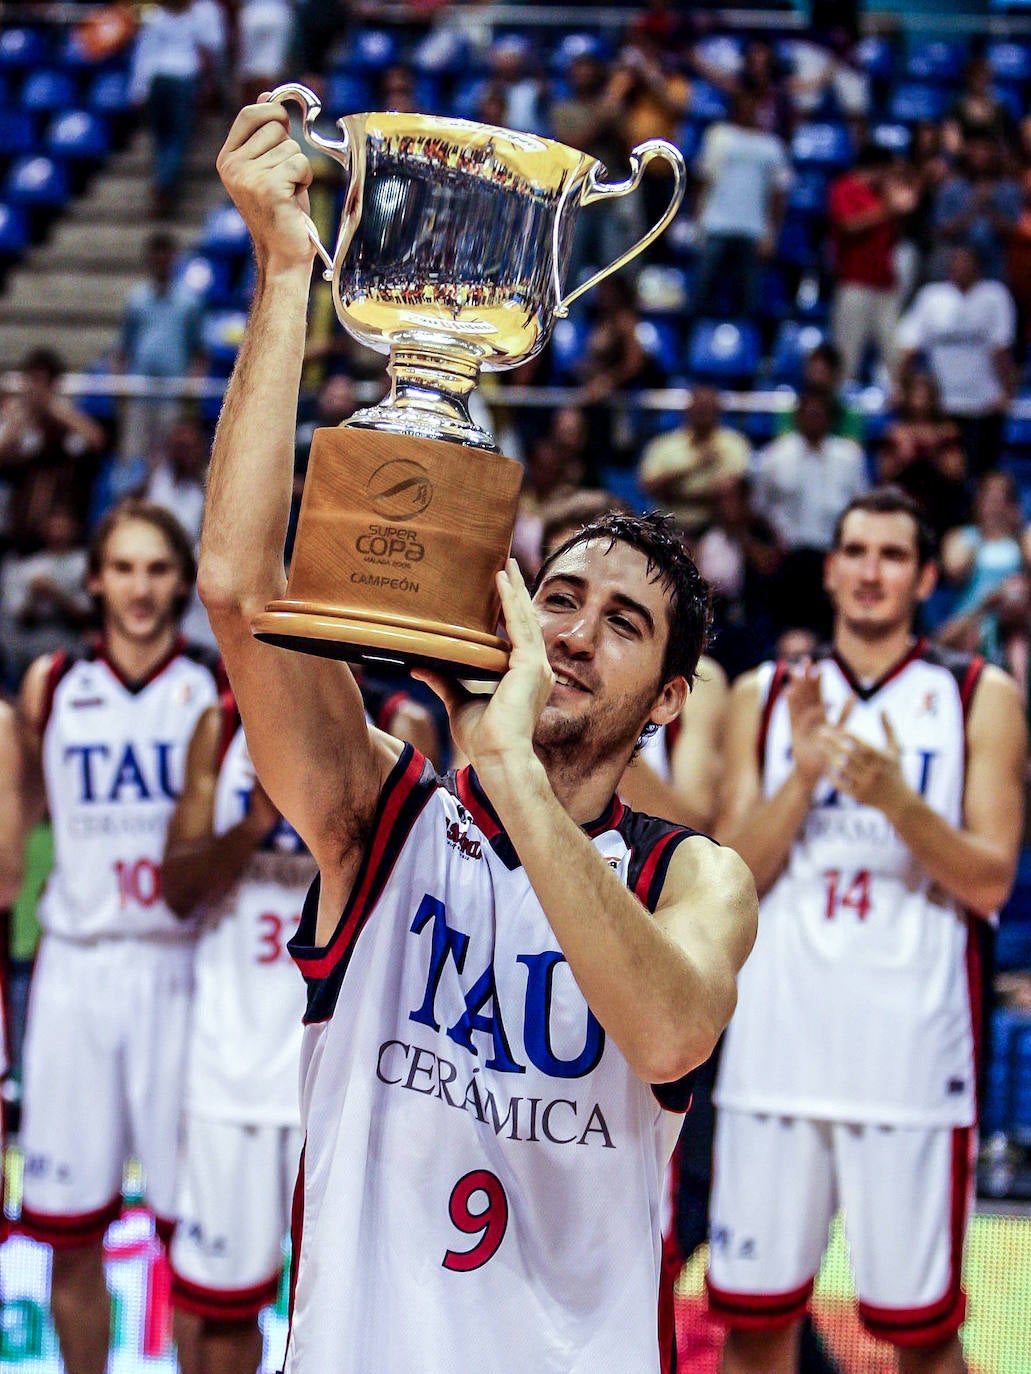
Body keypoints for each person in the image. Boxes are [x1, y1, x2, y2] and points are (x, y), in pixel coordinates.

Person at [202, 97, 757, 1374]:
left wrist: (506, 771)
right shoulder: (381, 818)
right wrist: (287, 270)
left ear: (669, 697)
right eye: (557, 596)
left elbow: (670, 1033)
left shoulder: (693, 876)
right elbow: (239, 594)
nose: (572, 631)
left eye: (622, 624)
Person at [708, 486, 1027, 1374]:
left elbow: (989, 877)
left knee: (921, 1338)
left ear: (926, 577)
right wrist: (804, 775)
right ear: (830, 568)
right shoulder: (763, 695)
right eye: (854, 552)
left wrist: (894, 798)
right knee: (754, 1328)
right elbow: (730, 877)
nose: (870, 572)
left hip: (910, 1062)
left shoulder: (977, 694)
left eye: (892, 556)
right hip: (776, 1051)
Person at [15, 499, 224, 1374]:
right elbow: (21, 811)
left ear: (182, 581)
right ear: (95, 579)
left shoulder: (217, 686)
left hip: (185, 969)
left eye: (158, 569)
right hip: (76, 969)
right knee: (70, 1233)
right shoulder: (51, 683)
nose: (141, 588)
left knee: (193, 1241)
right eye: (125, 568)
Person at [162, 691, 316, 1374]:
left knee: (350, 1320)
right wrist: (254, 823)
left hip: (338, 1075)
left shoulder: (394, 720)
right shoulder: (221, 725)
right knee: (224, 1313)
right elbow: (177, 890)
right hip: (233, 1067)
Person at [752, 386, 869, 636]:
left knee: (829, 631)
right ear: (798, 417)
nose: (814, 419)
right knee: (785, 630)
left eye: (820, 414)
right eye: (809, 413)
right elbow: (758, 508)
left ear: (830, 419)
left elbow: (861, 509)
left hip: (832, 556)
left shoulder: (849, 457)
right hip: (789, 558)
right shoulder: (775, 455)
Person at [896, 244, 1018, 478]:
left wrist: (1007, 391)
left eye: (965, 261)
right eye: (955, 261)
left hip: (983, 405)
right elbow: (909, 346)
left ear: (978, 267)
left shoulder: (995, 295)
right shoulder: (932, 296)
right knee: (941, 476)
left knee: (982, 475)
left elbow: (1001, 349)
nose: (959, 266)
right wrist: (901, 387)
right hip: (942, 407)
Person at [693, 82, 792, 320]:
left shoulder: (772, 146)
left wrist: (771, 233)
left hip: (753, 230)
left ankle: (745, 348)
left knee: (748, 301)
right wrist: (697, 220)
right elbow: (703, 180)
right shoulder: (719, 135)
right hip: (715, 224)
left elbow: (779, 194)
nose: (751, 108)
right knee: (700, 295)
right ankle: (692, 344)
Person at [114, 231, 207, 471]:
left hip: (172, 394)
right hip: (139, 392)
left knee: (167, 460)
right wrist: (121, 388)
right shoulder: (135, 300)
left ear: (174, 259)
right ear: (149, 260)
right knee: (133, 457)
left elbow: (200, 352)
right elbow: (122, 349)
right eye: (156, 256)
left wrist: (190, 390)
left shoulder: (189, 302)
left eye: (165, 256)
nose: (160, 261)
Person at [0, 349, 106, 556]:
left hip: (65, 543)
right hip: (20, 538)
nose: (37, 389)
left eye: (43, 382)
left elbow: (97, 440)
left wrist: (51, 405)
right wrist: (20, 417)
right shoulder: (16, 422)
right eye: (33, 381)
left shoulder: (68, 419)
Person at [828, 143, 917, 383]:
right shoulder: (845, 187)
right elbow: (848, 225)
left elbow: (898, 229)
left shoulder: (882, 193)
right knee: (847, 353)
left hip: (885, 283)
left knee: (894, 352)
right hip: (854, 283)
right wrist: (887, 209)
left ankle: (902, 400)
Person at [637, 386, 752, 540]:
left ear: (718, 411)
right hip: (667, 529)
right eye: (699, 408)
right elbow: (648, 487)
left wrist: (672, 494)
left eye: (708, 408)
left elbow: (728, 495)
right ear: (687, 410)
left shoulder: (735, 443)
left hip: (716, 529)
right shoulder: (663, 445)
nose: (703, 413)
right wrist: (694, 465)